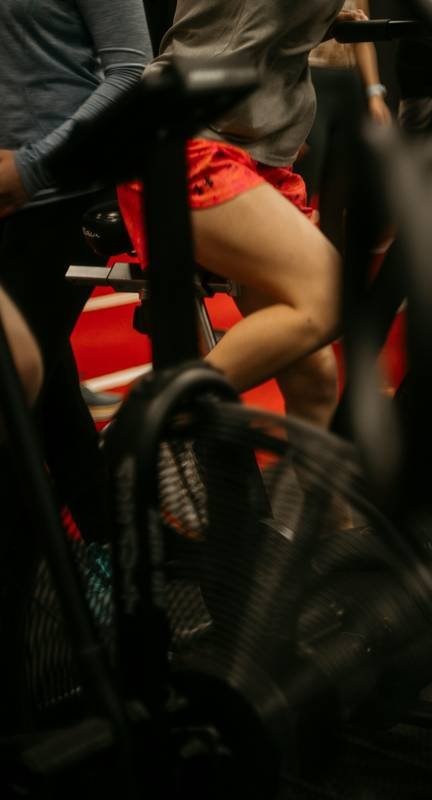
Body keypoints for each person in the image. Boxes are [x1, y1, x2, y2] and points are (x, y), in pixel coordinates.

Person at [117, 0, 352, 428]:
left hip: (258, 150)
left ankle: (315, 497)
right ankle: (145, 430)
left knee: (314, 381)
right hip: (188, 136)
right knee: (329, 296)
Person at [0, 0, 153, 544]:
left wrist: (31, 167)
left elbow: (134, 73)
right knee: (52, 399)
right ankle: (108, 550)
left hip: (64, 194)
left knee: (12, 408)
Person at [297, 0, 392, 253]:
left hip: (347, 84)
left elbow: (364, 34)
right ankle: (294, 261)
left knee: (340, 190)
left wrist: (374, 93)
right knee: (305, 183)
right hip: (311, 79)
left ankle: (335, 274)